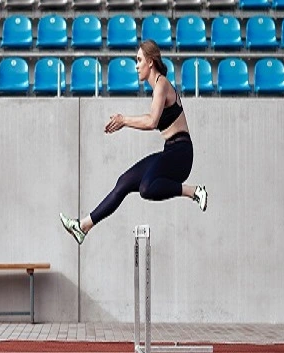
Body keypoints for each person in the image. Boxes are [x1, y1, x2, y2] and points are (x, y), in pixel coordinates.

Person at [60, 39, 207, 246]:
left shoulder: (162, 84)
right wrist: (124, 121)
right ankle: (83, 226)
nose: (136, 65)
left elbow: (151, 121)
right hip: (170, 150)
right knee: (125, 182)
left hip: (181, 154)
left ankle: (193, 191)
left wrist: (124, 120)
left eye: (139, 60)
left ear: (150, 62)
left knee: (146, 188)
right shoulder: (157, 87)